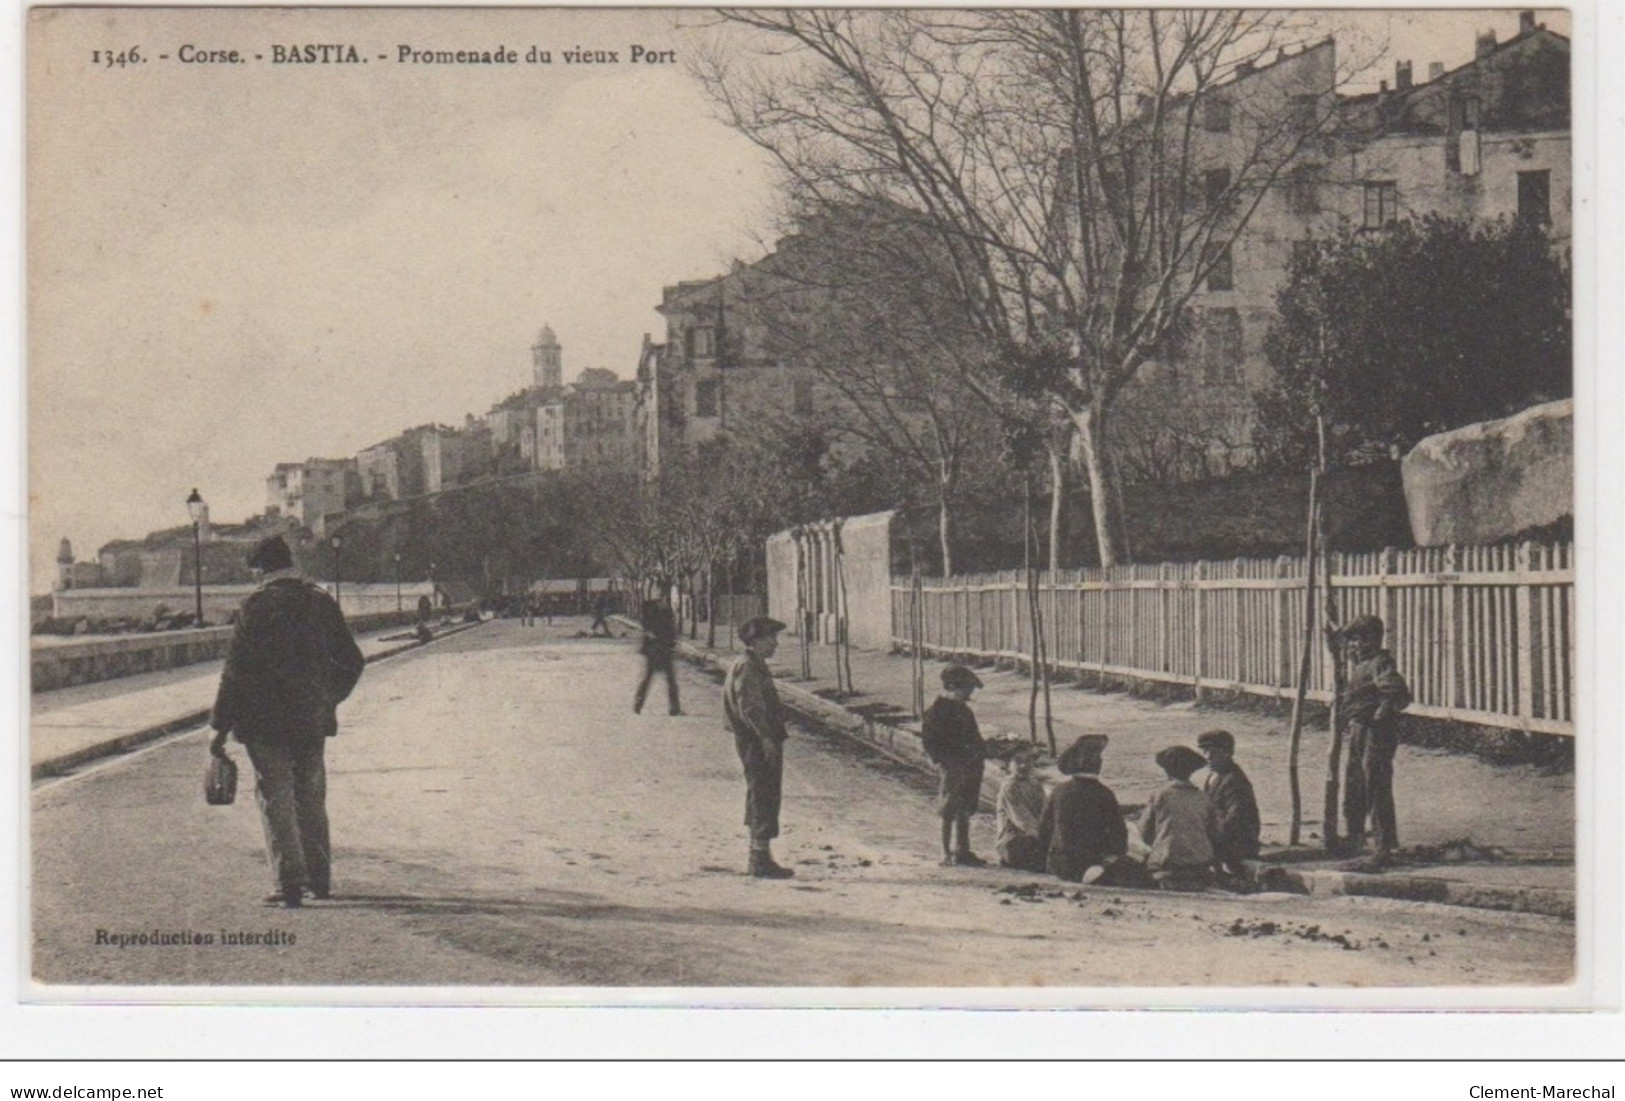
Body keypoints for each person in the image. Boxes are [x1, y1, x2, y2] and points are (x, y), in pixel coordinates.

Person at [208, 535, 366, 908]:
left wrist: (219, 728)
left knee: (275, 796)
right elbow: (353, 661)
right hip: (309, 720)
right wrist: (328, 699)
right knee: (311, 796)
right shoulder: (320, 602)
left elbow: (234, 674)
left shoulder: (256, 607)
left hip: (263, 723)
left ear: (261, 570)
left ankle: (289, 882)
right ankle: (319, 879)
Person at [1336, 614, 1413, 860]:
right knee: (1355, 783)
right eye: (1351, 642)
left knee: (1375, 785)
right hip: (1358, 730)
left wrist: (1384, 709)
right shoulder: (1360, 664)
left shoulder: (1380, 663)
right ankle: (1355, 836)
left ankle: (1385, 843)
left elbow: (1398, 692)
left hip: (1375, 732)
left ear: (1373, 639)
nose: (1353, 646)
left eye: (1357, 640)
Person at [723, 616, 793, 878]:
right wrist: (765, 738)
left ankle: (760, 854)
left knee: (762, 792)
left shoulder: (753, 664)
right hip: (757, 739)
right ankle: (759, 858)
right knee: (763, 793)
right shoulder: (748, 667)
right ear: (755, 641)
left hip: (758, 737)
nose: (775, 643)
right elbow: (750, 707)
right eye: (770, 639)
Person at [1035, 734, 1128, 883]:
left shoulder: (1059, 790)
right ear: (1097, 764)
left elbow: (1044, 829)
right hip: (1090, 863)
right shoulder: (1104, 793)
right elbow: (1119, 833)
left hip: (1059, 864)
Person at [921, 664, 988, 867]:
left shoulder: (964, 711)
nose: (969, 693)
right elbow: (930, 743)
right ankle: (946, 852)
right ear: (953, 688)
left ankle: (962, 850)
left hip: (970, 767)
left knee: (965, 808)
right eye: (966, 689)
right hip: (953, 768)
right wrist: (943, 763)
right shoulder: (936, 712)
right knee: (949, 811)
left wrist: (984, 750)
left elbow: (975, 739)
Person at [1139, 745, 1220, 891]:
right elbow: (1215, 832)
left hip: (1168, 864)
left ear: (1167, 771)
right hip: (1200, 865)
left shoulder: (1160, 795)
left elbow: (1144, 832)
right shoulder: (1204, 798)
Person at [1197, 729, 1261, 881]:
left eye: (1213, 752)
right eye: (1204, 751)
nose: (1207, 757)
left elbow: (1235, 820)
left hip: (1237, 844)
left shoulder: (1235, 781)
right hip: (1221, 838)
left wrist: (1205, 837)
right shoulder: (1214, 775)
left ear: (1227, 752)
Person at [994, 745, 1047, 872]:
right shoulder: (1009, 787)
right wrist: (1045, 836)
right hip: (1015, 840)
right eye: (1018, 762)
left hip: (1035, 835)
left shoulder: (1036, 785)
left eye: (1028, 761)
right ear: (1008, 765)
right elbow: (1022, 820)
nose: (1024, 765)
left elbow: (1045, 811)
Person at [633, 595, 681, 716]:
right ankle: (674, 707)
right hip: (660, 649)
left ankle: (638, 704)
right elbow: (668, 629)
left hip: (656, 649)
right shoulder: (657, 609)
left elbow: (647, 626)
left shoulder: (654, 609)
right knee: (668, 679)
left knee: (650, 678)